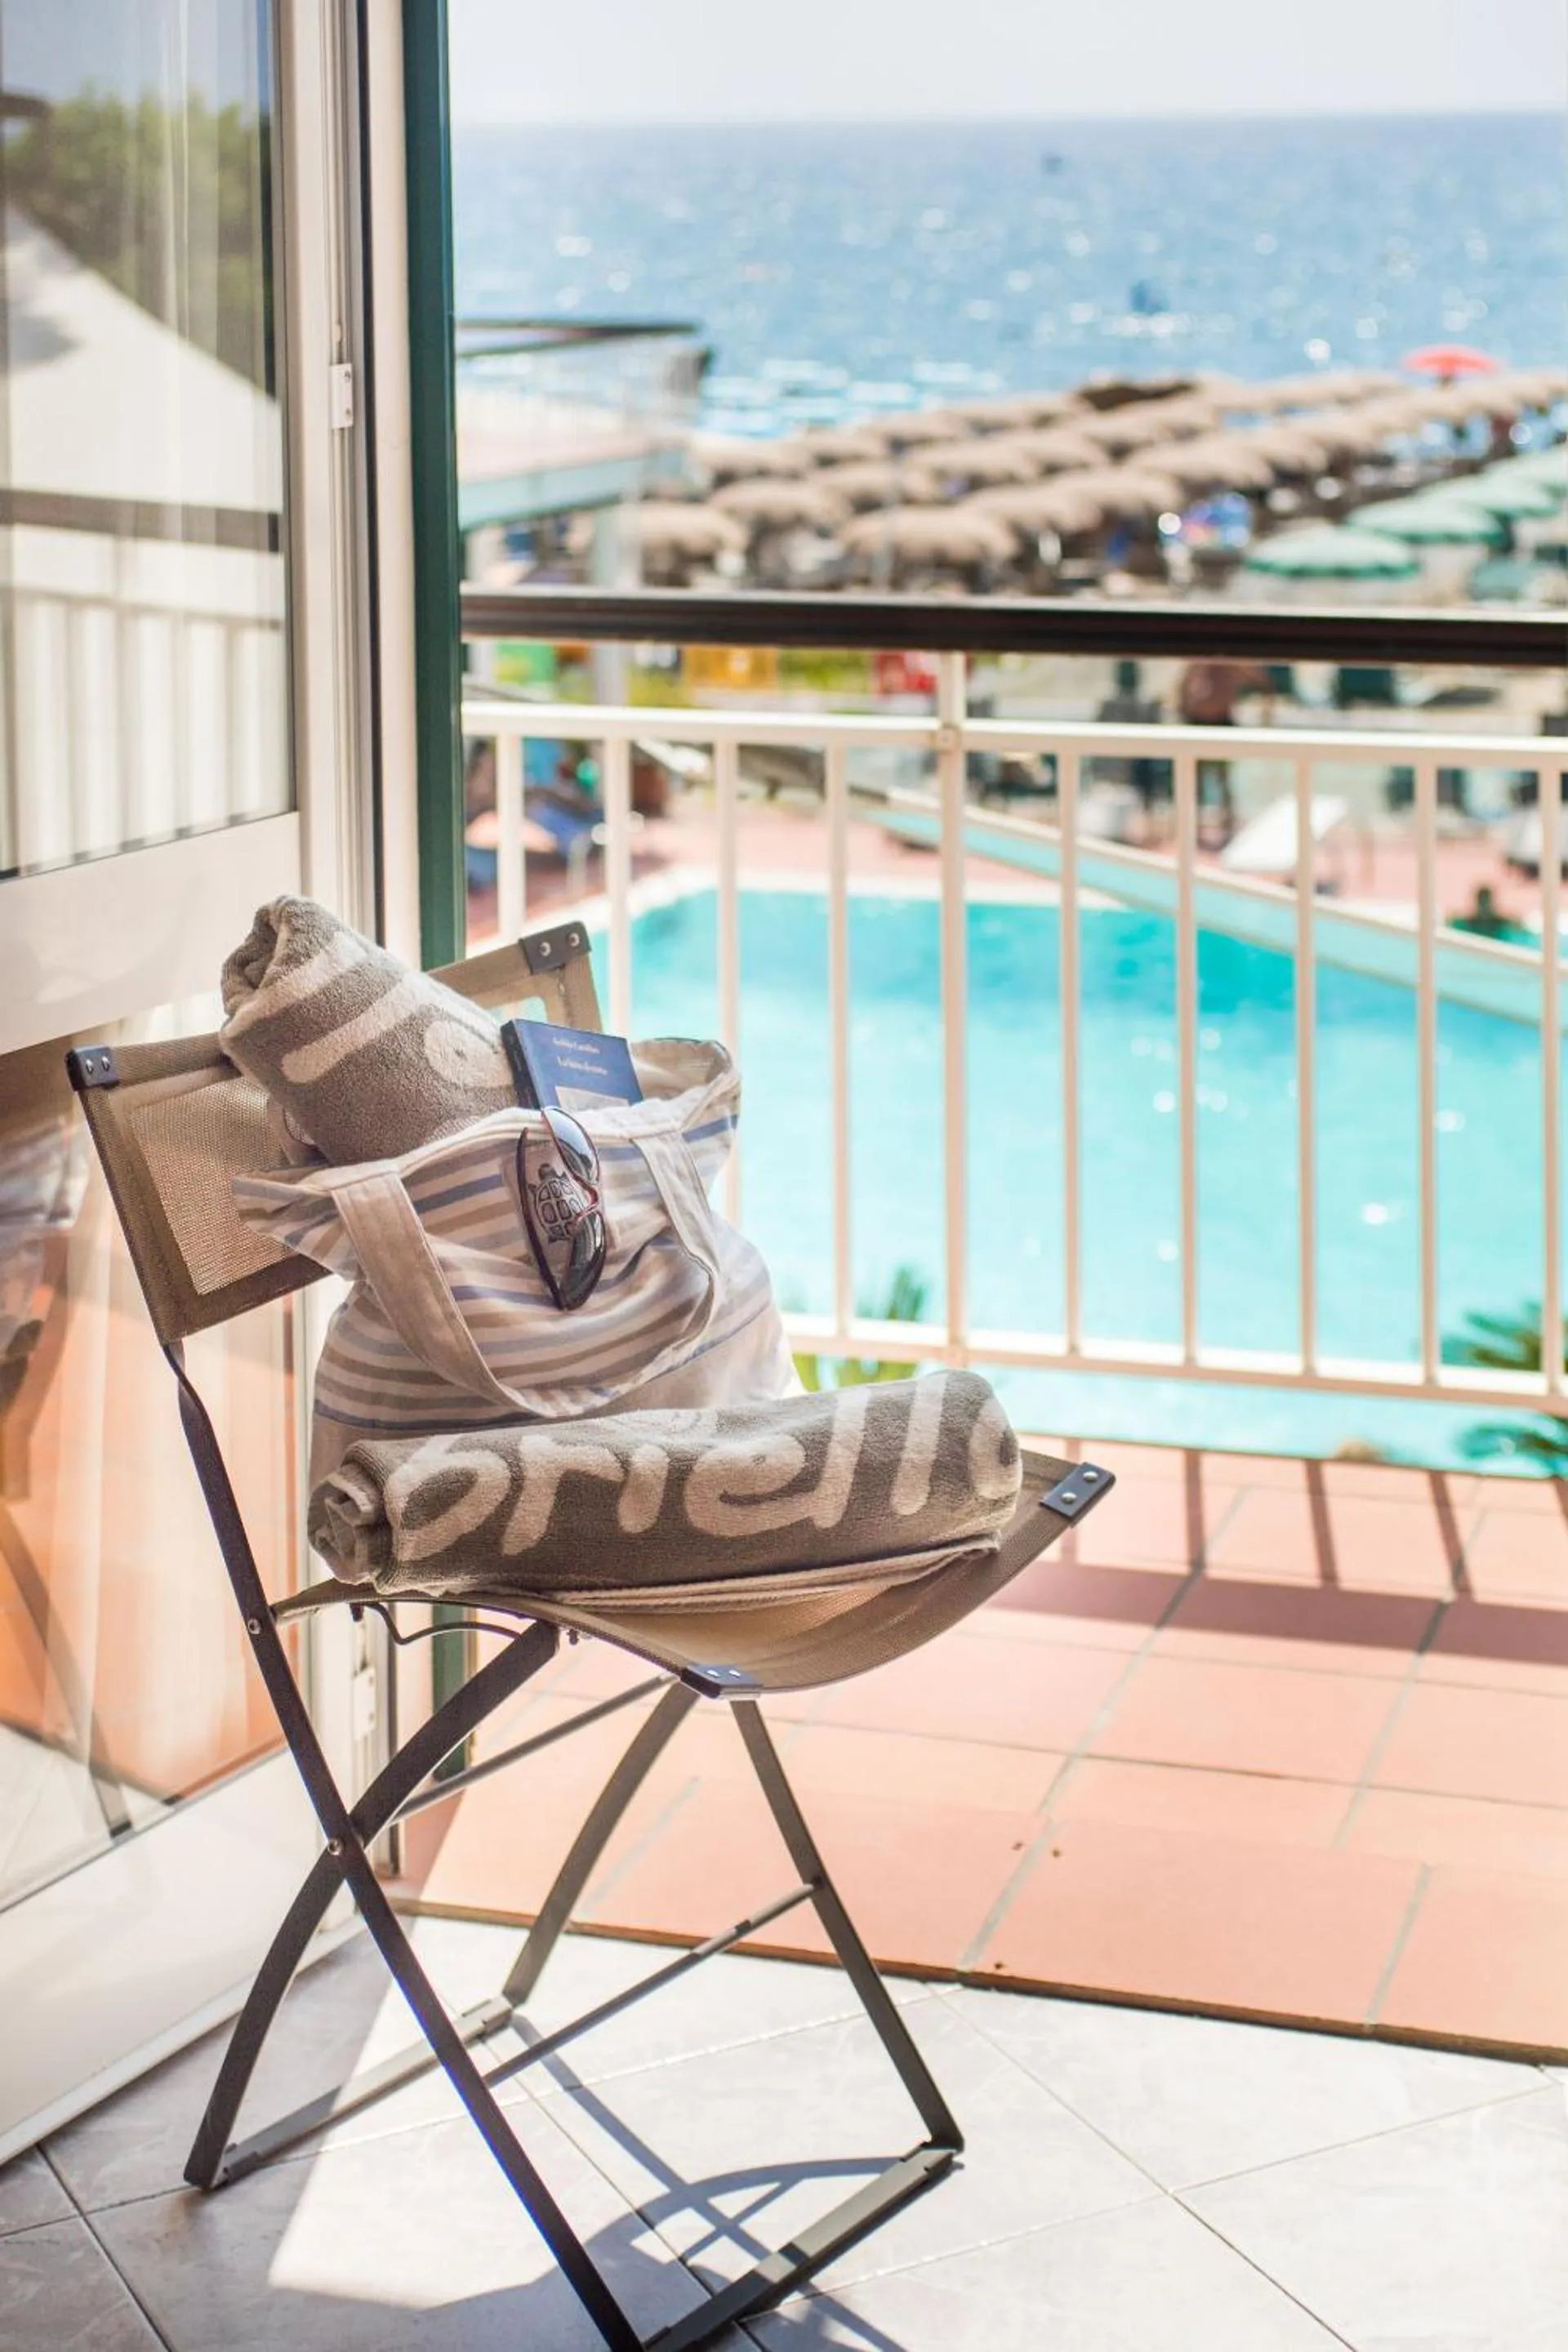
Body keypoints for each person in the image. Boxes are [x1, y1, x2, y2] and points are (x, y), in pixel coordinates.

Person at [1178, 659, 1271, 843]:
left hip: (1219, 723)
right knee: (1196, 782)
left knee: (1222, 780)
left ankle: (1226, 828)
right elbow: (1183, 686)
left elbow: (1263, 683)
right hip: (1199, 724)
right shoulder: (1202, 663)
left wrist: (1266, 715)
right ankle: (1195, 829)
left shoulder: (1232, 664)